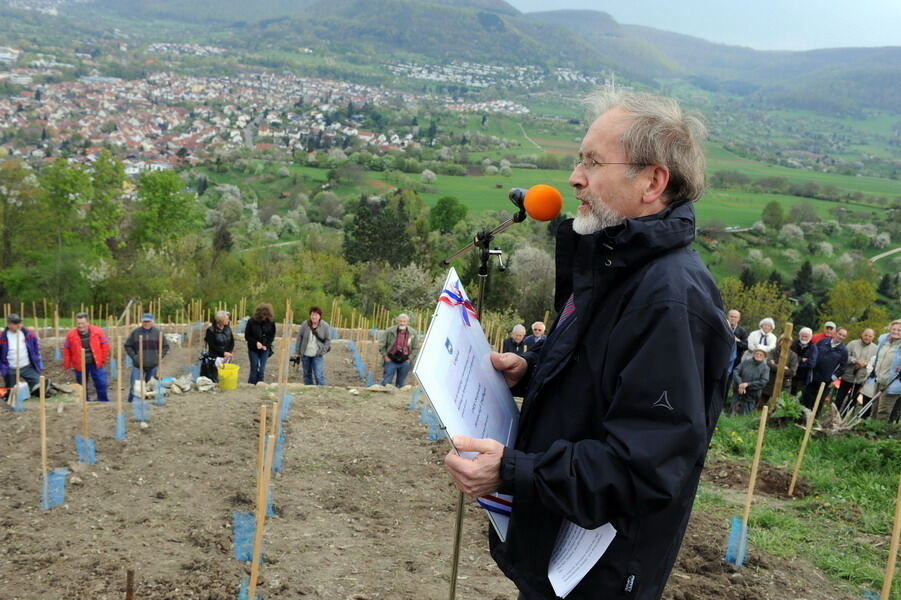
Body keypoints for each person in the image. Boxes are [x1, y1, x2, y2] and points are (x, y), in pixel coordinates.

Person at [443, 90, 733, 600]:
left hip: (598, 575)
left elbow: (643, 466)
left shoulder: (669, 300)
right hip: (556, 553)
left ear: (652, 181)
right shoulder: (616, 266)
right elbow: (605, 375)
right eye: (580, 160)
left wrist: (512, 470)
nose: (575, 177)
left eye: (594, 162)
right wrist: (530, 369)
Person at [63, 313, 110, 402]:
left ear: (87, 322)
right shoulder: (71, 335)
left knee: (101, 383)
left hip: (95, 363)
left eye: (83, 323)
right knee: (82, 385)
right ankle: (85, 402)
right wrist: (67, 365)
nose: (81, 326)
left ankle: (103, 401)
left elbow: (105, 345)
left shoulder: (97, 331)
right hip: (79, 365)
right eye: (78, 324)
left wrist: (102, 359)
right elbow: (66, 350)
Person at [124, 313, 169, 401]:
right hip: (138, 364)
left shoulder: (158, 333)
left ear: (152, 322)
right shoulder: (135, 332)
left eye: (148, 321)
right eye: (144, 321)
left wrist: (159, 357)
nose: (146, 323)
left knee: (150, 386)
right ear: (142, 322)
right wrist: (134, 356)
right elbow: (127, 345)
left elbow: (166, 346)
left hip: (153, 365)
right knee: (135, 386)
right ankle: (132, 402)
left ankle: (148, 404)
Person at [801, 326, 848, 409]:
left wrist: (832, 378)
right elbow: (813, 352)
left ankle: (813, 419)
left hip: (825, 380)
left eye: (843, 336)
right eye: (840, 334)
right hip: (813, 375)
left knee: (818, 401)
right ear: (835, 333)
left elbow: (843, 367)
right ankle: (800, 417)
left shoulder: (843, 351)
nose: (841, 337)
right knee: (806, 397)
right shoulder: (823, 342)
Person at [835, 328, 877, 411]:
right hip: (847, 376)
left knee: (852, 401)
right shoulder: (852, 344)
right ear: (862, 334)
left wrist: (865, 364)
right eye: (865, 335)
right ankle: (833, 416)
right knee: (839, 398)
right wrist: (855, 361)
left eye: (870, 336)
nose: (867, 337)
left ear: (873, 337)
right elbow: (845, 357)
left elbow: (875, 363)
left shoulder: (875, 348)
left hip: (861, 379)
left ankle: (844, 418)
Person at [0, 313, 43, 392]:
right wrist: (3, 368)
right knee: (11, 392)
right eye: (15, 323)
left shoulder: (28, 334)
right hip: (11, 368)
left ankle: (32, 391)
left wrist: (37, 359)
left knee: (39, 386)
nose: (18, 325)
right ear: (9, 325)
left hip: (27, 366)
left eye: (19, 322)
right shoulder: (2, 337)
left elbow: (35, 348)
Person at [870, 320, 901, 422]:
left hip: (892, 384)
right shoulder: (884, 342)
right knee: (874, 408)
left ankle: (879, 435)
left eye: (899, 330)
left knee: (883, 412)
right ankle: (868, 433)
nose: (896, 332)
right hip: (879, 380)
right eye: (894, 329)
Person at [293, 306, 331, 386]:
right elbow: (299, 338)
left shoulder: (325, 326)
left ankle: (322, 390)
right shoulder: (305, 324)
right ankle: (309, 389)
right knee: (307, 374)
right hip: (305, 354)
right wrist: (297, 352)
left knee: (318, 375)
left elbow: (328, 340)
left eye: (316, 315)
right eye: (312, 315)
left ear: (320, 316)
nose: (314, 317)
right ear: (310, 315)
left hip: (317, 354)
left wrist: (322, 351)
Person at [380, 313, 419, 387]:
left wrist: (409, 359)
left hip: (405, 361)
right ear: (397, 322)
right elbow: (381, 344)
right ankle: (385, 396)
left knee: (400, 384)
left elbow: (416, 348)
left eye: (404, 321)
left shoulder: (413, 333)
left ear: (407, 322)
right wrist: (385, 356)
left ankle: (397, 397)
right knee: (386, 382)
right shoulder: (389, 331)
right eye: (400, 321)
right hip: (390, 359)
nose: (402, 323)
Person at [730, 349, 770, 415]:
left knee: (745, 416)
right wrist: (740, 383)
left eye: (761, 355)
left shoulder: (765, 368)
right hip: (738, 391)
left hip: (751, 396)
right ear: (754, 354)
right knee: (732, 413)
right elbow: (736, 371)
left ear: (764, 357)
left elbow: (763, 381)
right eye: (757, 353)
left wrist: (748, 384)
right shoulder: (745, 362)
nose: (758, 355)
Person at [245, 303, 276, 384]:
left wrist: (266, 345)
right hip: (253, 349)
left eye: (265, 316)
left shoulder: (271, 322)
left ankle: (260, 386)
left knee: (261, 369)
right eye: (262, 316)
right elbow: (247, 336)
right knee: (254, 368)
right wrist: (256, 343)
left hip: (265, 349)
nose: (264, 318)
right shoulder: (251, 321)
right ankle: (251, 385)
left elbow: (271, 335)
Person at [204, 310, 235, 383]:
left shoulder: (228, 329)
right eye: (227, 319)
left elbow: (232, 342)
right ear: (221, 320)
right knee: (215, 377)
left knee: (224, 377)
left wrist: (228, 353)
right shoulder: (210, 331)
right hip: (215, 357)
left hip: (226, 356)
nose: (228, 320)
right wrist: (223, 353)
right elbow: (212, 346)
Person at [790, 327, 818, 395]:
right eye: (802, 336)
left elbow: (811, 364)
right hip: (790, 374)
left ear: (810, 337)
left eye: (806, 336)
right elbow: (789, 358)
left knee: (797, 397)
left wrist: (796, 363)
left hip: (803, 378)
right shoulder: (793, 344)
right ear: (799, 336)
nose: (804, 338)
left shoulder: (813, 348)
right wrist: (801, 360)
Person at [726, 309, 748, 373]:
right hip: (721, 358)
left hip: (734, 360)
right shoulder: (721, 327)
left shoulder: (742, 331)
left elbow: (746, 346)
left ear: (739, 319)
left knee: (728, 379)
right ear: (727, 317)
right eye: (731, 316)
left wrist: (737, 341)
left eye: (735, 317)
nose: (733, 318)